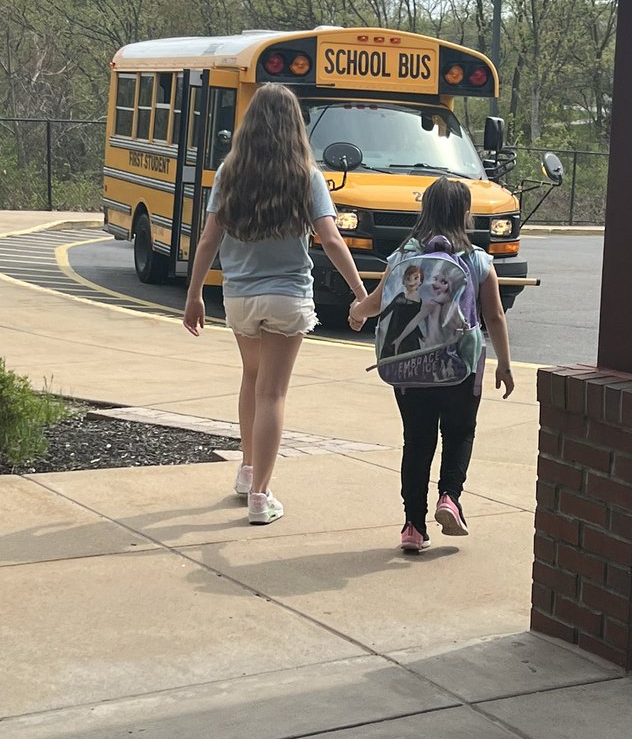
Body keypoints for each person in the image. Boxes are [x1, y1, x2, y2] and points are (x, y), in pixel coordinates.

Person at [183, 83, 368, 524]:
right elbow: (330, 238)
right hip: (288, 297)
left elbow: (209, 238)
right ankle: (261, 498)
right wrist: (361, 295)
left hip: (240, 297)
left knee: (251, 378)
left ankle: (247, 472)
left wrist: (193, 296)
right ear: (295, 126)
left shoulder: (230, 172)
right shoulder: (307, 175)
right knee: (273, 392)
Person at [349, 177, 514, 553]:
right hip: (460, 367)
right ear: (465, 214)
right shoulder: (477, 259)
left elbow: (377, 303)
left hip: (410, 368)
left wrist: (357, 313)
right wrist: (504, 364)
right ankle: (450, 498)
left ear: (425, 210)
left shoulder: (404, 256)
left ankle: (412, 526)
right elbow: (495, 316)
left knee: (417, 442)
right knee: (459, 433)